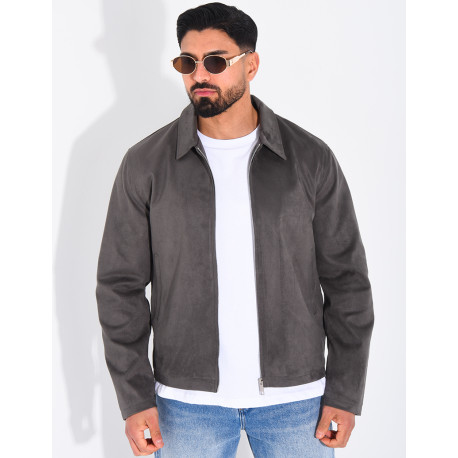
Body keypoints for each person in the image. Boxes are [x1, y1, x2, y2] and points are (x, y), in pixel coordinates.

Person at [96, 2, 375, 456]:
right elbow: (119, 287)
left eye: (215, 61)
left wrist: (344, 392)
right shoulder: (145, 164)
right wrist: (134, 398)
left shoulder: (310, 159)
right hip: (185, 404)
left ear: (252, 64)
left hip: (297, 402)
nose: (199, 75)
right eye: (187, 63)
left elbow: (347, 282)